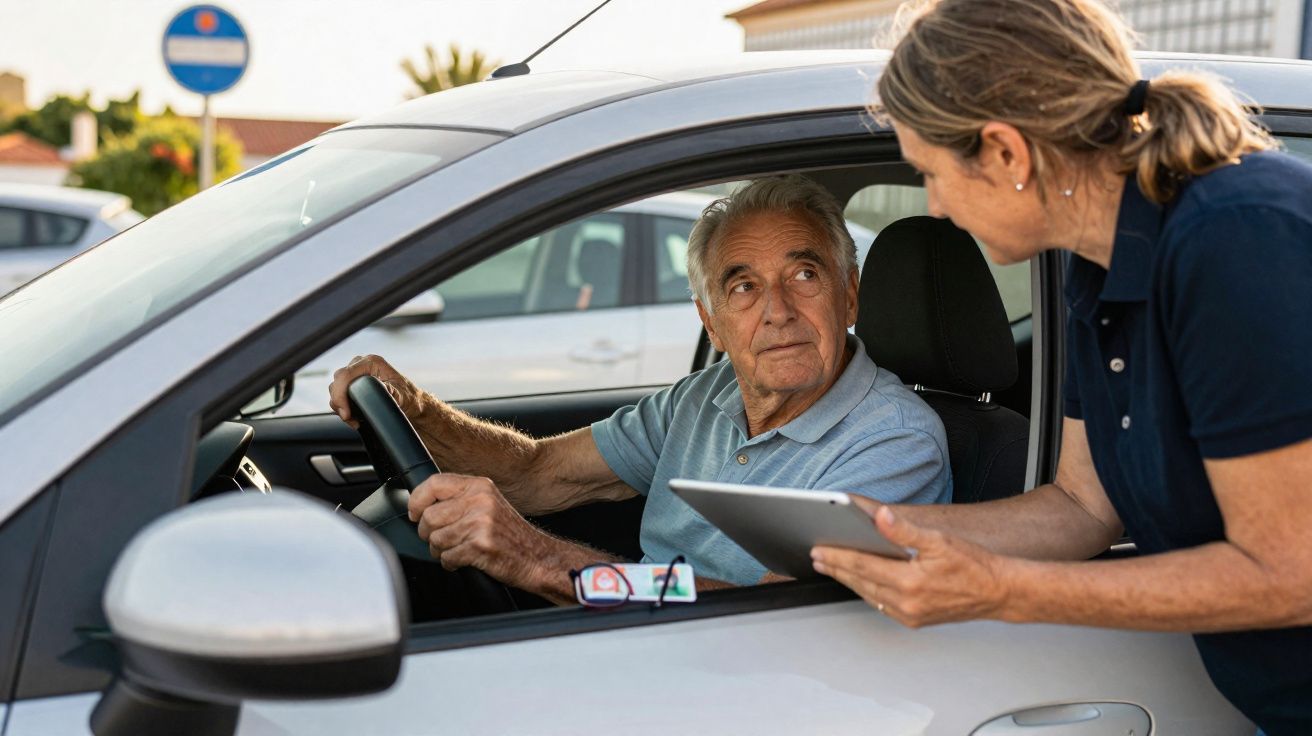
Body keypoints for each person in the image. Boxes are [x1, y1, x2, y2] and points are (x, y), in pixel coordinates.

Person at [809, 1, 1312, 733]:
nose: (938, 209)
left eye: (933, 175)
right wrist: (877, 527)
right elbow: (1082, 507)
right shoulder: (1094, 268)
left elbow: (1292, 572)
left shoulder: (1236, 242)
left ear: (1008, 152)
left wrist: (1002, 592)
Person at [330, 175, 951, 606]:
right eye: (743, 288)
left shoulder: (894, 440)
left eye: (805, 274)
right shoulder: (703, 397)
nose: (778, 310)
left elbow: (776, 618)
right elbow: (538, 472)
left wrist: (542, 563)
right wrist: (415, 409)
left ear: (850, 294)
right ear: (711, 321)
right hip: (643, 648)